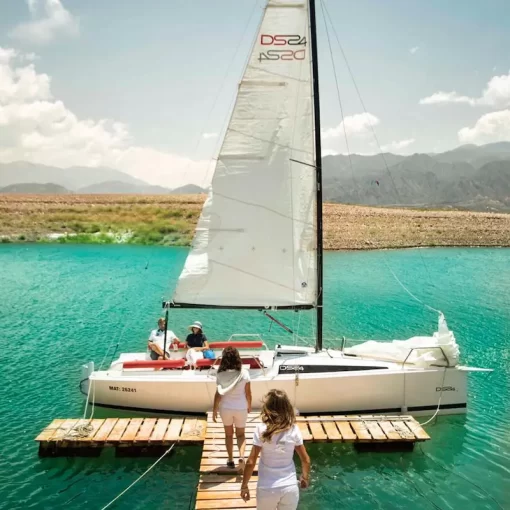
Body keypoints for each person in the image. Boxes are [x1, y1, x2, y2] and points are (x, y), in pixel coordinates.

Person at [241, 389, 311, 510]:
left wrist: (244, 486)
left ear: (267, 407)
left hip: (267, 488)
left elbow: (251, 462)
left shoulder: (261, 429)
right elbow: (306, 460)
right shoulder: (293, 430)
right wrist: (304, 478)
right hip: (290, 488)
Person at [212, 347, 252, 469]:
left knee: (228, 434)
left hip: (226, 408)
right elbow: (248, 393)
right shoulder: (244, 373)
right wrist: (249, 406)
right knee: (241, 435)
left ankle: (230, 460)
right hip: (241, 407)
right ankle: (241, 456)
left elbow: (218, 394)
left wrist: (214, 409)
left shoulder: (220, 374)